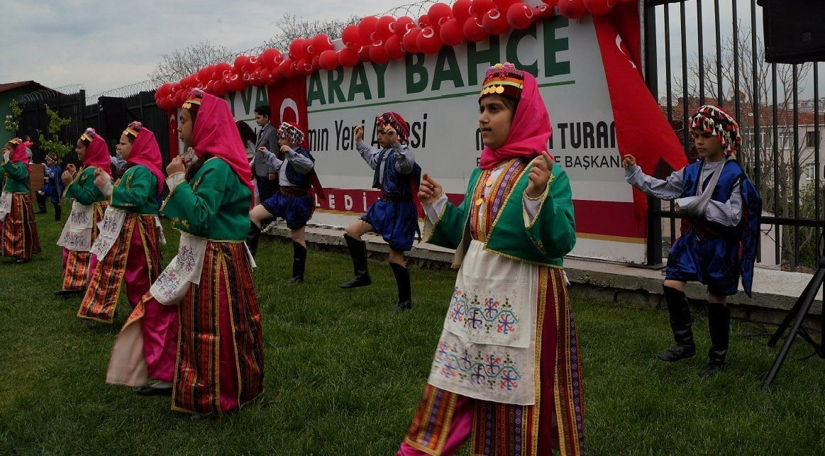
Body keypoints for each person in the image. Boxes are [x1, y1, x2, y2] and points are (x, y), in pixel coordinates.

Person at [396, 63, 584, 455]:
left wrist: (538, 198)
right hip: (473, 299)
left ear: (521, 115)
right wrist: (437, 206)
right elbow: (470, 233)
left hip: (525, 300)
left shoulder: (547, 174)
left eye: (495, 108)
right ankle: (421, 447)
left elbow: (561, 241)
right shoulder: (483, 171)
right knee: (454, 381)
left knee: (519, 397)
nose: (483, 117)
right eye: (482, 108)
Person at [107, 90, 264, 416]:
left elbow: (201, 218)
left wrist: (177, 179)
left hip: (214, 259)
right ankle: (183, 376)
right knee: (174, 312)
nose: (177, 127)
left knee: (213, 326)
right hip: (207, 256)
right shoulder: (211, 164)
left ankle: (217, 392)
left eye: (183, 120)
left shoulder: (217, 168)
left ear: (203, 123)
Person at [622, 104, 761, 378]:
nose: (698, 141)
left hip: (720, 246)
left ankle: (717, 359)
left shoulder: (735, 176)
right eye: (695, 135)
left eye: (705, 136)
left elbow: (734, 217)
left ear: (722, 139)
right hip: (693, 242)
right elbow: (662, 188)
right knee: (672, 284)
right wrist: (635, 172)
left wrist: (692, 206)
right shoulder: (691, 171)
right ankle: (685, 344)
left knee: (716, 298)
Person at [77, 121, 164, 323]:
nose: (118, 147)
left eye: (123, 144)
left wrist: (109, 190)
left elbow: (138, 197)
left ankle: (145, 312)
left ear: (139, 146)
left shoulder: (142, 171)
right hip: (128, 228)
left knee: (139, 272)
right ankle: (129, 309)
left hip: (139, 230)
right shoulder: (133, 170)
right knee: (120, 269)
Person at [339, 112, 421, 314]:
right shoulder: (384, 154)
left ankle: (405, 303)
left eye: (384, 133)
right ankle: (362, 275)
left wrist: (396, 144)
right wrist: (359, 142)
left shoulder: (403, 153)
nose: (380, 136)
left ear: (396, 134)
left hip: (400, 209)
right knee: (352, 231)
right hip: (383, 206)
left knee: (395, 257)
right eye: (379, 133)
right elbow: (373, 157)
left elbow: (406, 166)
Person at [247, 122, 323, 283]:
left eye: (282, 137)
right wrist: (269, 155)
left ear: (291, 139)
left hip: (296, 201)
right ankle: (248, 263)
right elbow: (283, 168)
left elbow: (308, 165)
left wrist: (290, 153)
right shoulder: (288, 155)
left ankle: (298, 276)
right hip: (281, 197)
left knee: (297, 237)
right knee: (254, 214)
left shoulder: (300, 154)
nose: (279, 140)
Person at [55, 128, 111, 295]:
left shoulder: (96, 172)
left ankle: (84, 282)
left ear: (91, 149)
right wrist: (74, 175)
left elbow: (87, 197)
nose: (76, 150)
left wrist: (70, 183)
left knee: (85, 249)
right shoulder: (88, 169)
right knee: (76, 248)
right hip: (83, 216)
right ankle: (76, 282)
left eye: (79, 147)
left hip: (91, 218)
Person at [0, 138, 41, 263]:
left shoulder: (22, 165)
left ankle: (23, 252)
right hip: (8, 198)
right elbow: (3, 172)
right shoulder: (9, 164)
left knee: (19, 225)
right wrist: (5, 162)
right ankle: (10, 249)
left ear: (17, 150)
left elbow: (15, 173)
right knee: (8, 224)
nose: (6, 151)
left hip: (19, 200)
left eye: (9, 149)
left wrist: (7, 161)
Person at [252, 105, 279, 205]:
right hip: (259, 171)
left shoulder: (271, 132)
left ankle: (269, 219)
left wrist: (272, 171)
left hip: (267, 171)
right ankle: (265, 219)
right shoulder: (260, 132)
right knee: (263, 196)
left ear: (266, 117)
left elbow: (274, 152)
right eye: (255, 118)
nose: (256, 120)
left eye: (258, 118)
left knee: (268, 195)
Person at [38, 153, 64, 221]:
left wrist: (45, 167)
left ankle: (58, 218)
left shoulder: (57, 168)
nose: (47, 161)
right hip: (52, 186)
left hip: (56, 187)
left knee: (56, 201)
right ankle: (43, 209)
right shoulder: (52, 167)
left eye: (49, 159)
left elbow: (52, 175)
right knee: (40, 192)